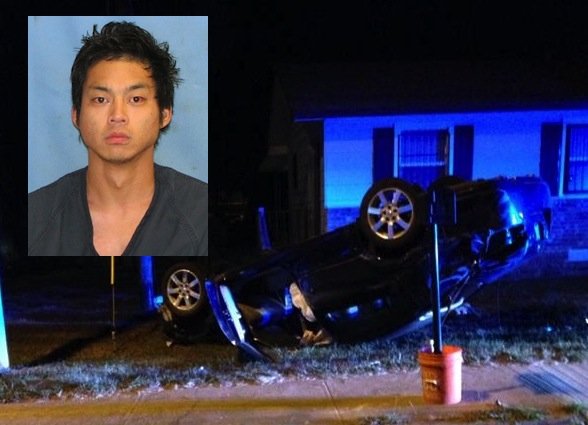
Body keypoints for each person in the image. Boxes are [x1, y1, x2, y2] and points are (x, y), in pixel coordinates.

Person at [28, 21, 208, 256]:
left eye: (136, 99)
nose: (117, 116)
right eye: (101, 100)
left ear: (165, 114)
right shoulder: (34, 217)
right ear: (76, 115)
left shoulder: (202, 214)